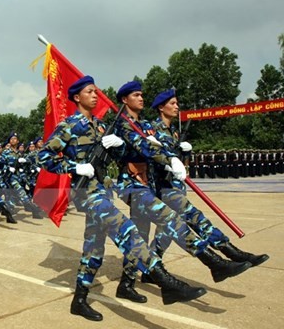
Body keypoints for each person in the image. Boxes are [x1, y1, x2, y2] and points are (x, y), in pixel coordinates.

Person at [38, 76, 206, 322]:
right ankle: (163, 279)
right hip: (87, 193)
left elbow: (122, 155)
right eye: (89, 92)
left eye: (96, 91)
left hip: (103, 190)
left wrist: (119, 146)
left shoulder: (101, 126)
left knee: (93, 248)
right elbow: (44, 156)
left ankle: (79, 299)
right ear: (77, 97)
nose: (95, 95)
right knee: (125, 229)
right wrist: (75, 166)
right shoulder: (69, 126)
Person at [112, 82, 252, 303]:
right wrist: (169, 158)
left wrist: (176, 152)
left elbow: (156, 147)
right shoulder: (123, 124)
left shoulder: (145, 125)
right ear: (124, 100)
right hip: (130, 184)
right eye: (136, 95)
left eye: (142, 94)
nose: (141, 98)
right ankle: (214, 262)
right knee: (172, 220)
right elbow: (145, 147)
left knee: (139, 235)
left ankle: (126, 284)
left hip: (148, 185)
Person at [147, 89, 268, 266]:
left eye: (177, 103)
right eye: (172, 103)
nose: (177, 106)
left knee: (166, 231)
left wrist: (185, 153)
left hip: (177, 185)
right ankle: (230, 251)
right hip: (164, 187)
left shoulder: (173, 131)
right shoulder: (152, 130)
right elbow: (152, 158)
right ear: (161, 107)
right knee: (195, 217)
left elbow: (182, 164)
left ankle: (152, 267)